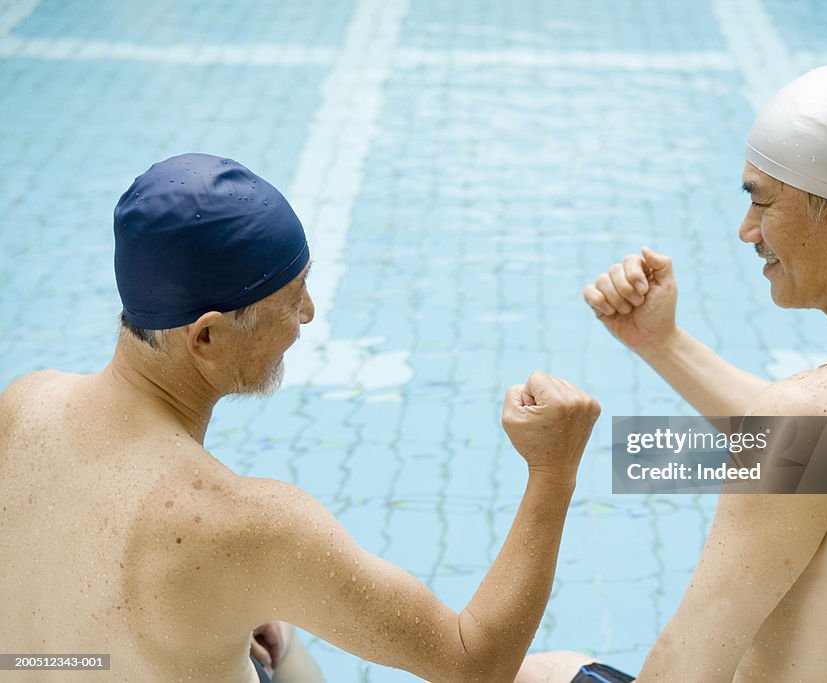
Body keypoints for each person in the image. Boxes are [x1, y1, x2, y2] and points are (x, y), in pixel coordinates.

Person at [0, 153, 601, 682]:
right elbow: (475, 665)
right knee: (557, 674)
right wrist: (554, 473)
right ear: (205, 337)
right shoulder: (248, 526)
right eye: (291, 302)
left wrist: (213, 610)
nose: (308, 316)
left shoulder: (26, 402)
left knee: (272, 638)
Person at [517, 66, 827, 682]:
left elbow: (686, 669)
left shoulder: (812, 419)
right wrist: (663, 344)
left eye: (762, 200)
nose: (747, 230)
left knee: (512, 672)